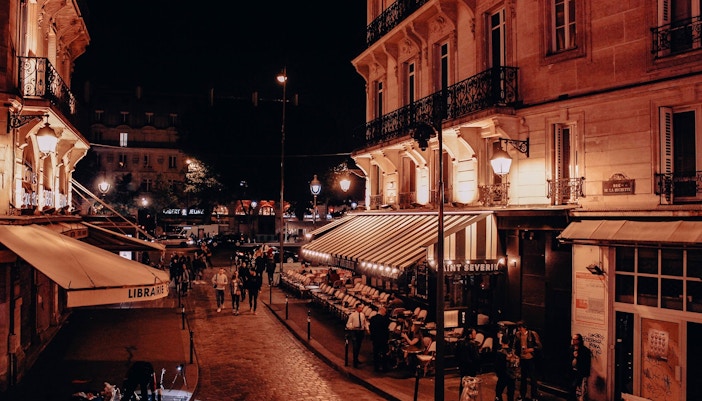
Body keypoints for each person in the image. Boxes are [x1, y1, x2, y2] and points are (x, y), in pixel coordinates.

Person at [512, 320, 542, 401]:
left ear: (524, 327)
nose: (519, 330)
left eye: (520, 328)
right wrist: (515, 354)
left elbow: (539, 346)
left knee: (533, 378)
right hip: (522, 358)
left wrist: (530, 349)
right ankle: (522, 395)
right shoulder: (518, 335)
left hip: (530, 359)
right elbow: (514, 345)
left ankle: (534, 396)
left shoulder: (532, 334)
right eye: (518, 328)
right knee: (523, 378)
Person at [568, 333, 592, 401]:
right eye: (573, 339)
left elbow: (586, 362)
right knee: (571, 387)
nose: (573, 341)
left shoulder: (585, 350)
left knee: (576, 386)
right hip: (572, 371)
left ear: (579, 340)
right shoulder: (571, 348)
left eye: (575, 339)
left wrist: (577, 357)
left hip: (580, 372)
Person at [494, 334, 518, 401]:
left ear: (501, 341)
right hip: (511, 375)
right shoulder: (512, 352)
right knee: (510, 394)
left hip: (503, 375)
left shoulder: (500, 352)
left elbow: (497, 366)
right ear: (509, 342)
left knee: (498, 392)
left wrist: (498, 373)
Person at [345, 303, 369, 368]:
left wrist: (367, 329)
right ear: (357, 308)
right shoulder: (352, 315)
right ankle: (355, 361)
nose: (361, 309)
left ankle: (356, 358)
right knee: (355, 346)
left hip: (361, 332)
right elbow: (348, 324)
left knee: (359, 346)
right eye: (360, 307)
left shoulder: (362, 315)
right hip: (354, 331)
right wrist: (352, 327)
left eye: (361, 308)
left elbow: (365, 323)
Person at [368, 306, 391, 372]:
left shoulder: (372, 318)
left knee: (376, 353)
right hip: (383, 339)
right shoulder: (384, 319)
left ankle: (376, 367)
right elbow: (386, 329)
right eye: (385, 312)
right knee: (384, 353)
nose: (385, 313)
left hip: (375, 339)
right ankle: (384, 367)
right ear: (382, 311)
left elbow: (371, 328)